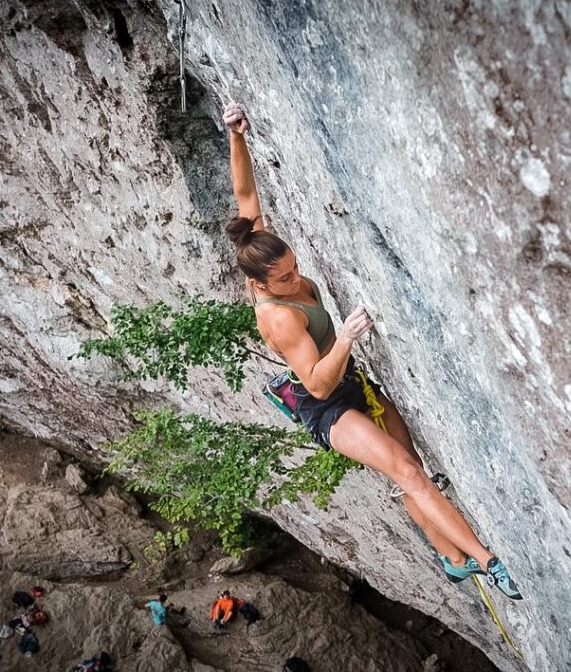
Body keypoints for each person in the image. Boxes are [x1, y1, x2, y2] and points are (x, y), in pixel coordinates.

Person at [221, 102, 522, 600]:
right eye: (285, 278)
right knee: (405, 472)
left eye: (295, 267)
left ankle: (450, 559)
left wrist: (235, 135)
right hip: (328, 407)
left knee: (411, 471)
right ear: (259, 284)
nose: (296, 279)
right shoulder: (277, 315)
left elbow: (245, 195)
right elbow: (316, 381)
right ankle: (489, 563)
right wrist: (342, 338)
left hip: (354, 382)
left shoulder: (257, 245)